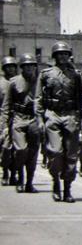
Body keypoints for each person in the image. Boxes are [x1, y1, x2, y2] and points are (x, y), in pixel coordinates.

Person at [34, 42, 82, 202]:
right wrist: (40, 119)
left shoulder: (76, 75)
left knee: (71, 154)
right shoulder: (46, 74)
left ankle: (67, 188)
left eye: (65, 54)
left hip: (70, 115)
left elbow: (81, 99)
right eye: (59, 54)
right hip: (53, 114)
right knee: (55, 152)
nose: (63, 56)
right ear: (54, 56)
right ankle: (56, 182)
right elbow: (38, 99)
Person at [0, 53, 42, 194]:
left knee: (33, 153)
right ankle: (20, 178)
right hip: (18, 118)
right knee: (20, 150)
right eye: (26, 66)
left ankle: (29, 182)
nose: (29, 68)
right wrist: (5, 126)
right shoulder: (13, 82)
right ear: (22, 68)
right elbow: (6, 106)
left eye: (32, 66)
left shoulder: (41, 81)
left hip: (34, 119)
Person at [0, 56, 19, 186]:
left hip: (17, 117)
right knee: (5, 147)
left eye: (12, 67)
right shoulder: (1, 83)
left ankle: (13, 174)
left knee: (18, 149)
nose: (11, 69)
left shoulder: (18, 81)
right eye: (8, 67)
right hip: (3, 118)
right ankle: (5, 171)